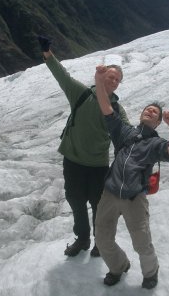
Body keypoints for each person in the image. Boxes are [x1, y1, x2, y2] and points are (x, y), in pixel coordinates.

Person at [37, 35, 129, 257]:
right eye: (111, 76)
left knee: (99, 205)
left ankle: (100, 241)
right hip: (73, 159)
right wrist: (47, 54)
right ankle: (83, 238)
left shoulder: (117, 110)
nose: (114, 81)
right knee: (75, 200)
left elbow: (127, 134)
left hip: (98, 164)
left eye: (117, 80)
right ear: (102, 76)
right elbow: (63, 77)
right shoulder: (82, 94)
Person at [94, 66, 169, 289]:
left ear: (159, 121)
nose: (150, 112)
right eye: (147, 110)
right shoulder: (125, 132)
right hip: (110, 194)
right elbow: (106, 108)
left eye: (155, 113)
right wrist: (98, 80)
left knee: (142, 243)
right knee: (103, 239)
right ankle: (119, 265)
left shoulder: (156, 143)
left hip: (135, 198)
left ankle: (151, 272)